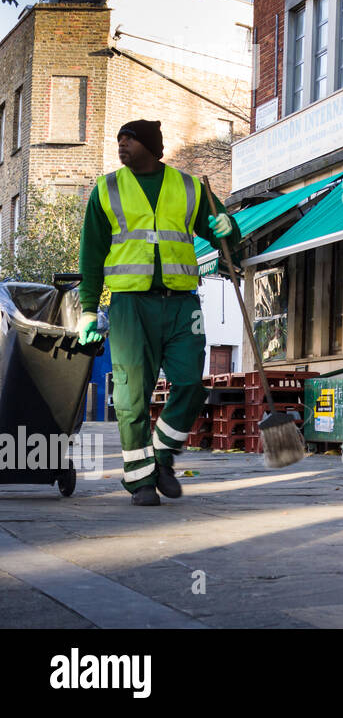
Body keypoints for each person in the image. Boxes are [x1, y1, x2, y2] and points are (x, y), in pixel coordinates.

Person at [76, 120, 242, 506]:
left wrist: (226, 225)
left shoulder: (188, 187)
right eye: (118, 139)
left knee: (190, 383)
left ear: (150, 146)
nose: (121, 145)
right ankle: (141, 481)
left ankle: (162, 455)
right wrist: (87, 309)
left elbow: (223, 235)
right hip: (130, 305)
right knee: (132, 396)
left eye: (129, 139)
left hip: (182, 302)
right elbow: (92, 254)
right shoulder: (107, 189)